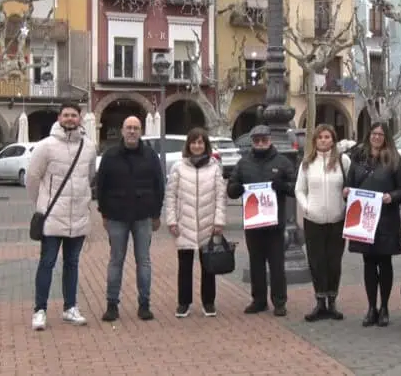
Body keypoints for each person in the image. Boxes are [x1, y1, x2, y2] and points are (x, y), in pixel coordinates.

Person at [27, 102, 97, 331]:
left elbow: (89, 178)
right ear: (59, 117)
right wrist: (41, 204)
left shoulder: (88, 147)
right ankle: (40, 310)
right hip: (52, 216)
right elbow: (32, 178)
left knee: (72, 264)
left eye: (74, 115)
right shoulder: (45, 146)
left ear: (79, 118)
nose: (70, 119)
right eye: (66, 115)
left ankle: (70, 307)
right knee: (47, 263)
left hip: (78, 216)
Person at [97, 116, 165, 322]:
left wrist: (156, 213)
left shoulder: (151, 155)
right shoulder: (110, 155)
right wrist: (104, 213)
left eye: (136, 128)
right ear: (122, 130)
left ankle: (144, 305)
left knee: (143, 261)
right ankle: (112, 305)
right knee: (116, 260)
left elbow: (159, 185)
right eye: (129, 128)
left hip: (143, 216)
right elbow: (101, 186)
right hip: (117, 215)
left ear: (141, 131)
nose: (132, 131)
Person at [344, 122, 401, 327]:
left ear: (386, 137)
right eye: (373, 133)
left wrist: (392, 196)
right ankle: (371, 307)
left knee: (384, 262)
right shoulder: (358, 158)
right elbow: (350, 184)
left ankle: (385, 307)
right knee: (369, 263)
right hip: (363, 220)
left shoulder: (394, 160)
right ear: (369, 135)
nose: (376, 137)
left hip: (385, 219)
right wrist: (346, 192)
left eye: (380, 134)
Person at [227, 125, 296, 316]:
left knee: (276, 265)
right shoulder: (243, 163)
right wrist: (235, 189)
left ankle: (279, 302)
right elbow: (231, 187)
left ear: (270, 140)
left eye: (263, 140)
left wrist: (282, 186)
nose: (260, 143)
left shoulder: (282, 162)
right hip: (253, 223)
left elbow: (294, 187)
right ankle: (258, 300)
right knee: (256, 263)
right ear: (252, 142)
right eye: (256, 140)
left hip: (275, 224)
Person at [165, 128, 227, 318]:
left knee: (209, 265)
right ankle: (184, 303)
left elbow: (220, 196)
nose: (197, 146)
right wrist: (172, 220)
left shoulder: (215, 167)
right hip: (185, 222)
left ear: (205, 145)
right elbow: (171, 196)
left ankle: (209, 302)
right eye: (194, 142)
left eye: (200, 142)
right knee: (184, 266)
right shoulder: (178, 167)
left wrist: (219, 221)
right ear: (188, 145)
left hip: (208, 223)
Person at [295, 124, 351, 322]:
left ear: (333, 140)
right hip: (314, 219)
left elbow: (350, 185)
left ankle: (332, 301)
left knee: (333, 262)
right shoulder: (307, 163)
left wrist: (346, 202)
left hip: (337, 219)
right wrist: (307, 207)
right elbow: (299, 190)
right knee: (317, 261)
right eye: (320, 137)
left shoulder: (343, 161)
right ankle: (319, 301)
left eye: (327, 137)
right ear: (315, 141)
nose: (324, 140)